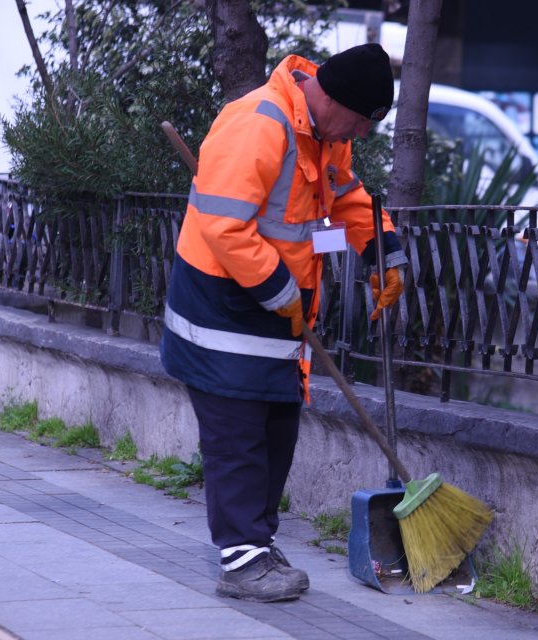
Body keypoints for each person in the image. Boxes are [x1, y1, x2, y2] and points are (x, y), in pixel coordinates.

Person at [159, 43, 406, 602]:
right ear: (341, 101)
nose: (361, 137)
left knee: (276, 427)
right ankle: (242, 560)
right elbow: (225, 228)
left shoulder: (324, 135)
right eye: (364, 124)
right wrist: (280, 291)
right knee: (237, 432)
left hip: (278, 308)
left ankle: (257, 544)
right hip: (223, 305)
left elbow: (346, 200)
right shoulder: (259, 125)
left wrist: (383, 252)